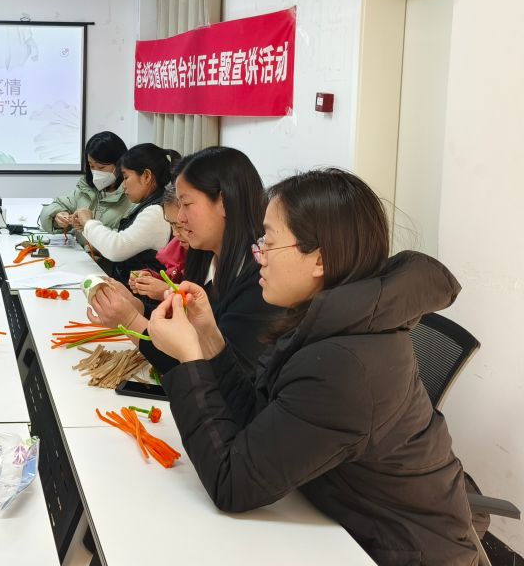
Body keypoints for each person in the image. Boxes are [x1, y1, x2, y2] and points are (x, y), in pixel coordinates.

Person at [147, 168, 479, 565]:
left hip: (399, 553)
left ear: (319, 258)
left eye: (269, 241)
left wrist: (190, 359)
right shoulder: (328, 321)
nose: (258, 256)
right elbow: (261, 418)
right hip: (336, 521)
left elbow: (231, 484)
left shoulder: (345, 365)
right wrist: (209, 338)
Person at [88, 146, 280, 377]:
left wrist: (130, 321)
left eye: (187, 204)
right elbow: (185, 337)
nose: (180, 218)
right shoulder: (204, 257)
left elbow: (200, 368)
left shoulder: (260, 282)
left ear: (224, 202)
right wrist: (138, 309)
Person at [74, 143, 178, 285]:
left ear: (146, 176)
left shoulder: (155, 212)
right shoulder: (153, 204)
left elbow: (116, 248)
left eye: (126, 177)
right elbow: (123, 239)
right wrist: (87, 227)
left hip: (140, 296)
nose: (123, 185)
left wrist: (88, 222)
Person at [39, 131, 131, 241]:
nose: (96, 172)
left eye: (101, 167)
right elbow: (56, 206)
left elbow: (126, 240)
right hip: (81, 251)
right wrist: (57, 217)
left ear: (119, 163)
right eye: (91, 166)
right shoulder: (86, 189)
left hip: (102, 253)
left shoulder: (132, 196)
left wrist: (89, 225)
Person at [128, 183, 189, 300]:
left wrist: (167, 291)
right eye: (171, 225)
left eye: (180, 226)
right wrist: (151, 279)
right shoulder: (179, 248)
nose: (175, 233)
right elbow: (173, 280)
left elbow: (207, 306)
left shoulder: (208, 253)